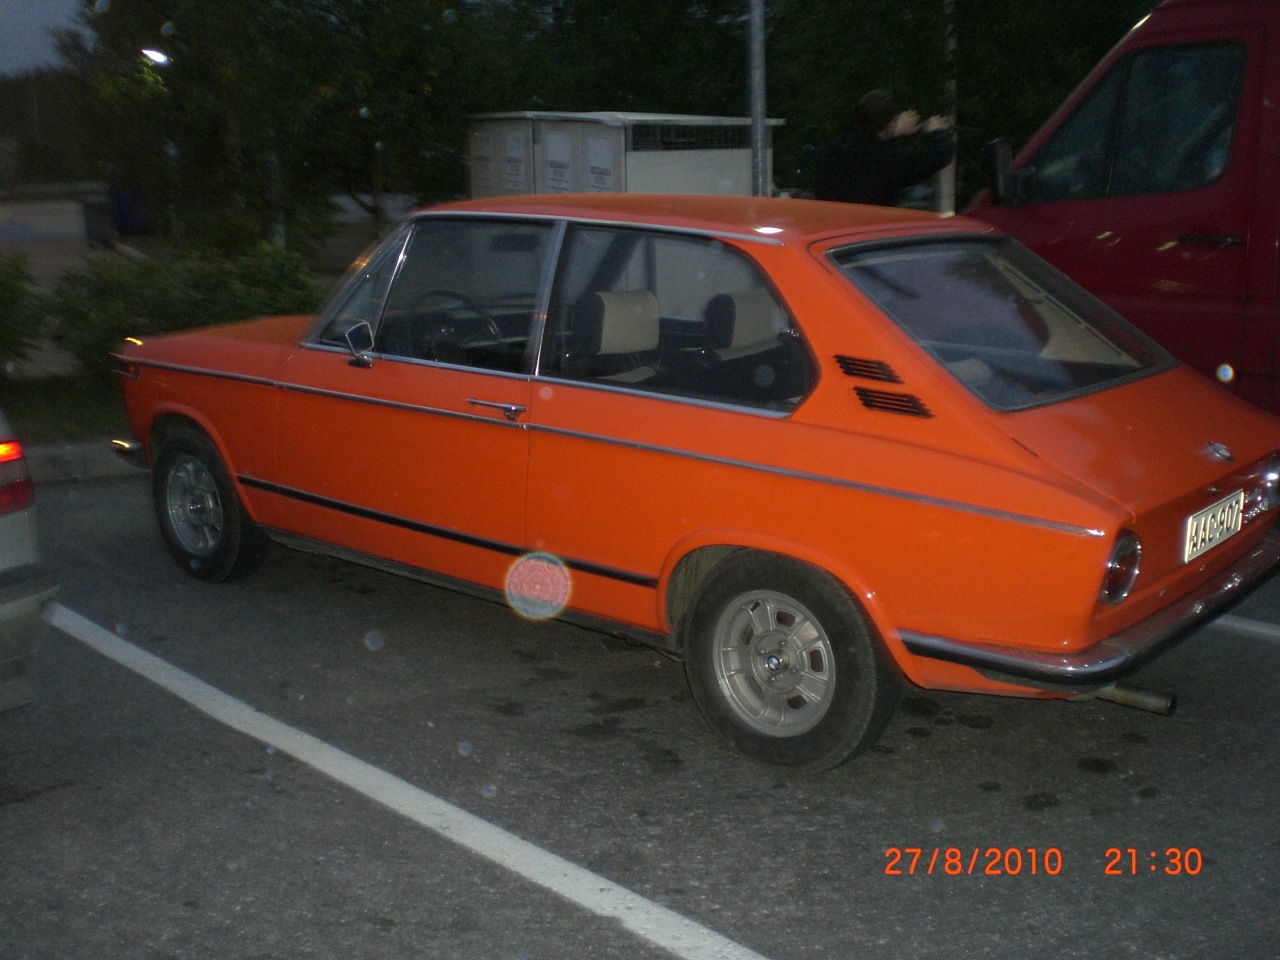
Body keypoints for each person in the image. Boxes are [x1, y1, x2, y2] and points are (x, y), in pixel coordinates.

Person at [815, 89, 954, 206]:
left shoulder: (836, 149)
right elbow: (937, 156)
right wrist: (938, 132)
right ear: (891, 122)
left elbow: (872, 147)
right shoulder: (887, 160)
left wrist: (893, 133)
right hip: (873, 228)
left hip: (834, 225)